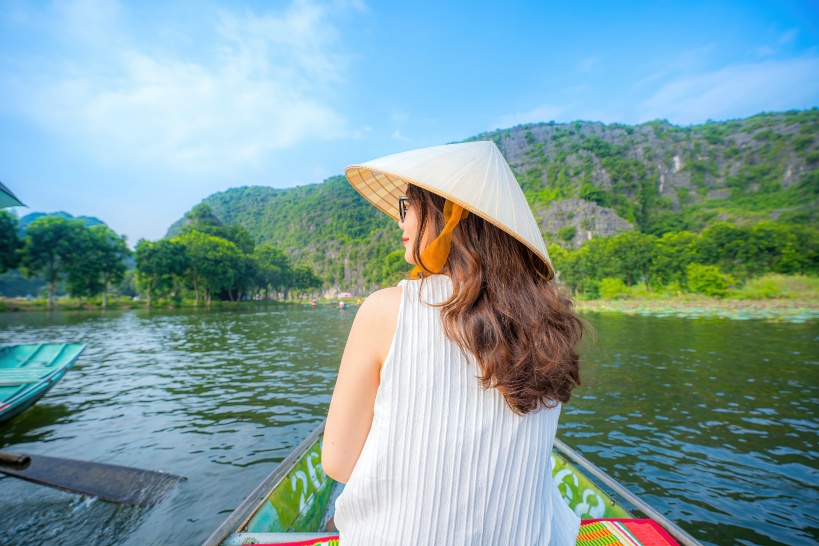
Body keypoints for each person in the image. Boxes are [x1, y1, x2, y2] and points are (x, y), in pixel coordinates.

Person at [323, 141, 585, 545]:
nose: (401, 221)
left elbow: (338, 464)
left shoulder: (386, 311)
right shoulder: (550, 324)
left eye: (407, 206)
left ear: (449, 216)